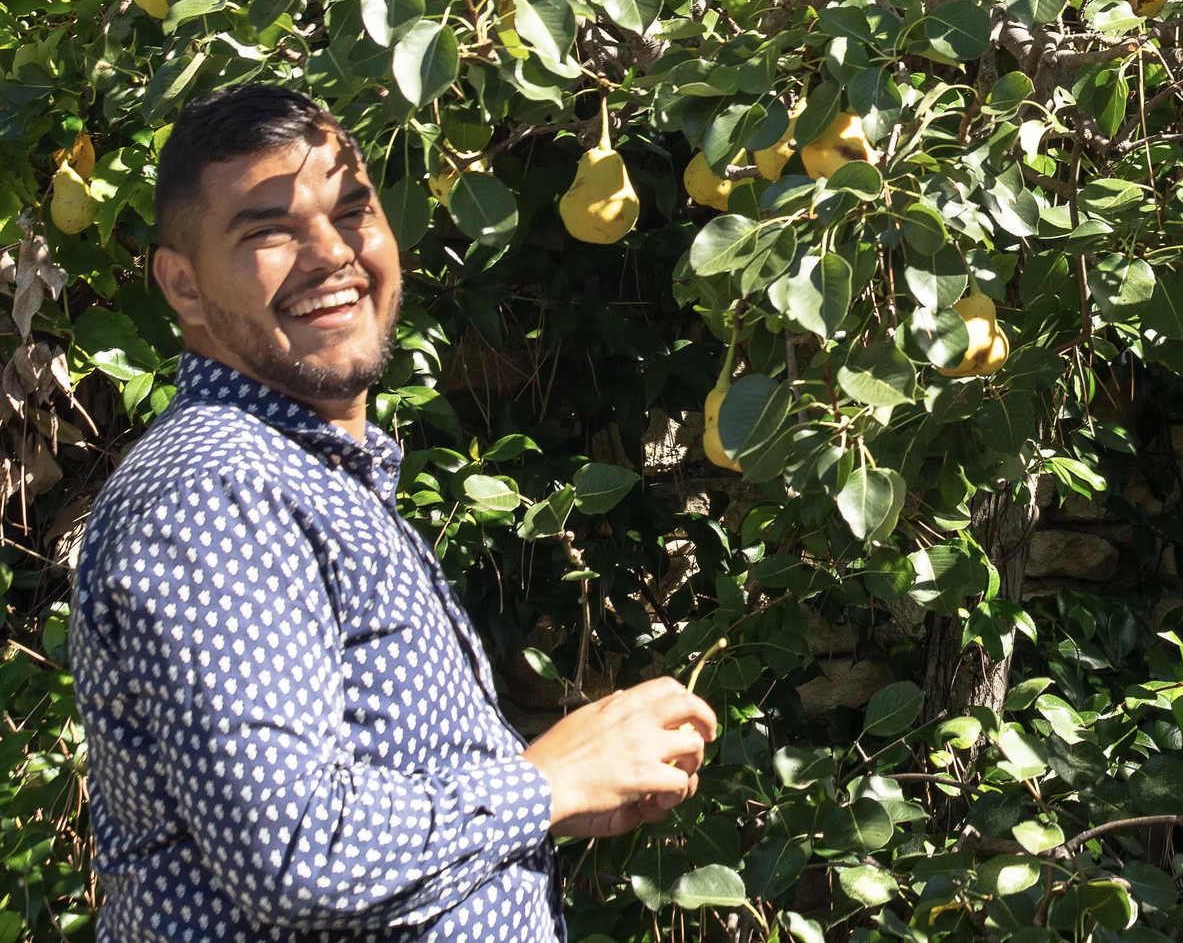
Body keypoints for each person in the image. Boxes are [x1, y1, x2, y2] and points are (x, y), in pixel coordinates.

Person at [72, 85, 715, 940]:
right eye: (268, 231)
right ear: (183, 285)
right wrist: (547, 782)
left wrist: (544, 812)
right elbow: (299, 858)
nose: (330, 253)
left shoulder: (309, 478)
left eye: (353, 210)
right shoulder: (216, 492)